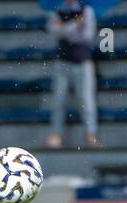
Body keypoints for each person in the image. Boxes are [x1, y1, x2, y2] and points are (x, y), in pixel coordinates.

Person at [45, 0, 99, 149]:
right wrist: (76, 24)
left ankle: (90, 134)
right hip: (63, 61)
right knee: (58, 99)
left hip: (82, 61)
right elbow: (52, 31)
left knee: (86, 99)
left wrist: (64, 28)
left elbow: (87, 36)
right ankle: (56, 134)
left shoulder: (86, 11)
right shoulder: (57, 11)